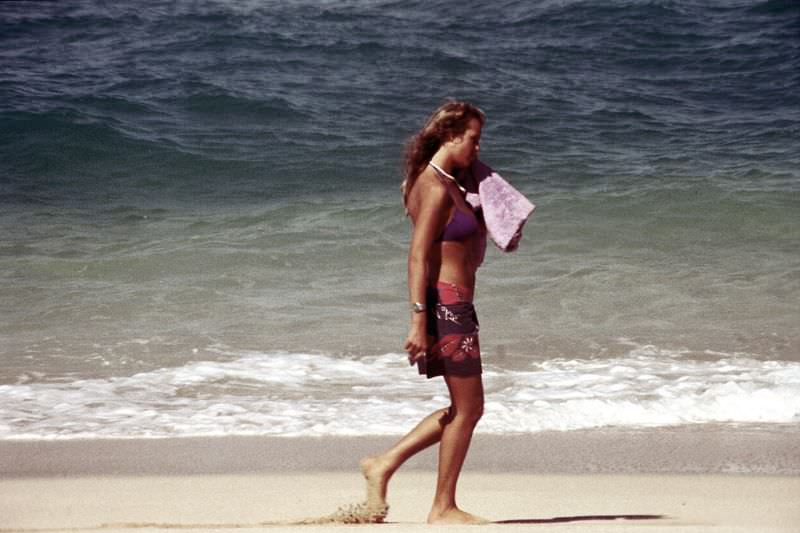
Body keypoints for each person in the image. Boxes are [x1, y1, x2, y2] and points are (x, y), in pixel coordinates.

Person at [360, 101, 488, 525]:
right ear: (451, 136)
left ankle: (383, 464)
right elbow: (417, 257)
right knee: (468, 410)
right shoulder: (432, 185)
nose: (478, 146)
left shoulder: (451, 181)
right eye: (473, 138)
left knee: (463, 407)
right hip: (446, 305)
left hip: (455, 304)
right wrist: (418, 320)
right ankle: (442, 507)